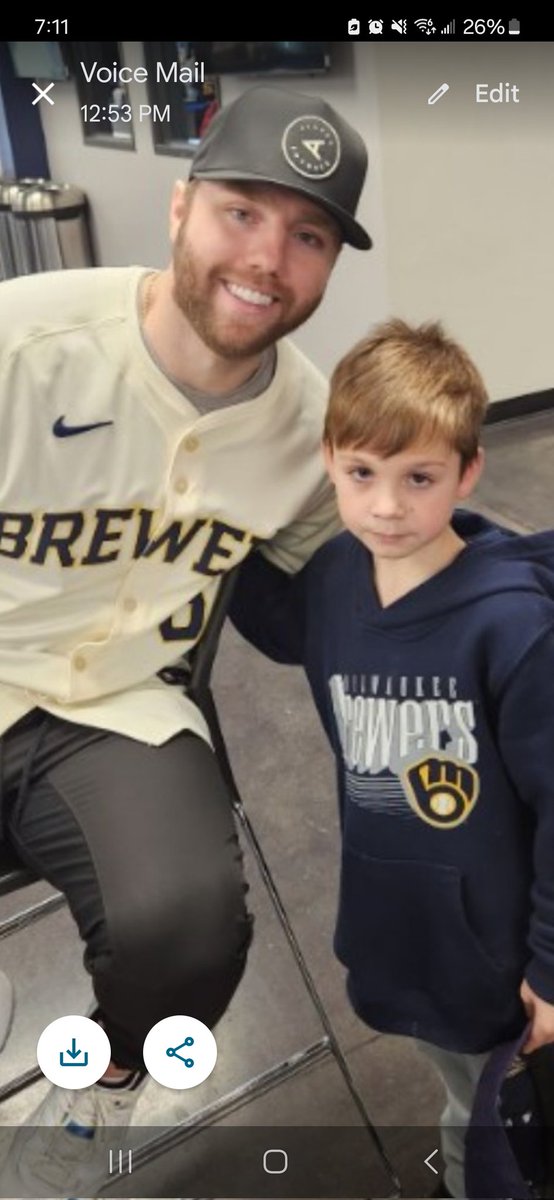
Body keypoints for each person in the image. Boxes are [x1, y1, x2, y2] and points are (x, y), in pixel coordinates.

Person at [0, 84, 371, 1197]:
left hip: (113, 714)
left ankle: (100, 1089)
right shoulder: (25, 341)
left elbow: (373, 557)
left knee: (188, 928)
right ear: (178, 208)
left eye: (306, 236)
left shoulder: (311, 426)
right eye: (241, 214)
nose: (267, 259)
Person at [229, 318, 554, 1199]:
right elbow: (276, 618)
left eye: (420, 478)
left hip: (504, 953)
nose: (386, 507)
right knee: (462, 1106)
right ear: (329, 459)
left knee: (514, 1124)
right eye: (361, 473)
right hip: (405, 933)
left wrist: (550, 967)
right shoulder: (336, 577)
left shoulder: (514, 626)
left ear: (469, 471)